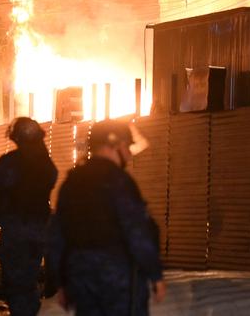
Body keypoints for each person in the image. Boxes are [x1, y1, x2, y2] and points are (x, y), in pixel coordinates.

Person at [46, 119, 165, 316]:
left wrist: (61, 282)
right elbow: (137, 231)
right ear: (114, 144)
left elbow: (57, 236)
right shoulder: (119, 181)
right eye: (126, 146)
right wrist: (155, 274)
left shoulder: (72, 182)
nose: (128, 153)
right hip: (116, 275)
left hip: (81, 275)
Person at [0, 117, 57, 316]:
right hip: (40, 229)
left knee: (17, 286)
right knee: (28, 281)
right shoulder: (46, 164)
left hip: (16, 231)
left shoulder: (12, 162)